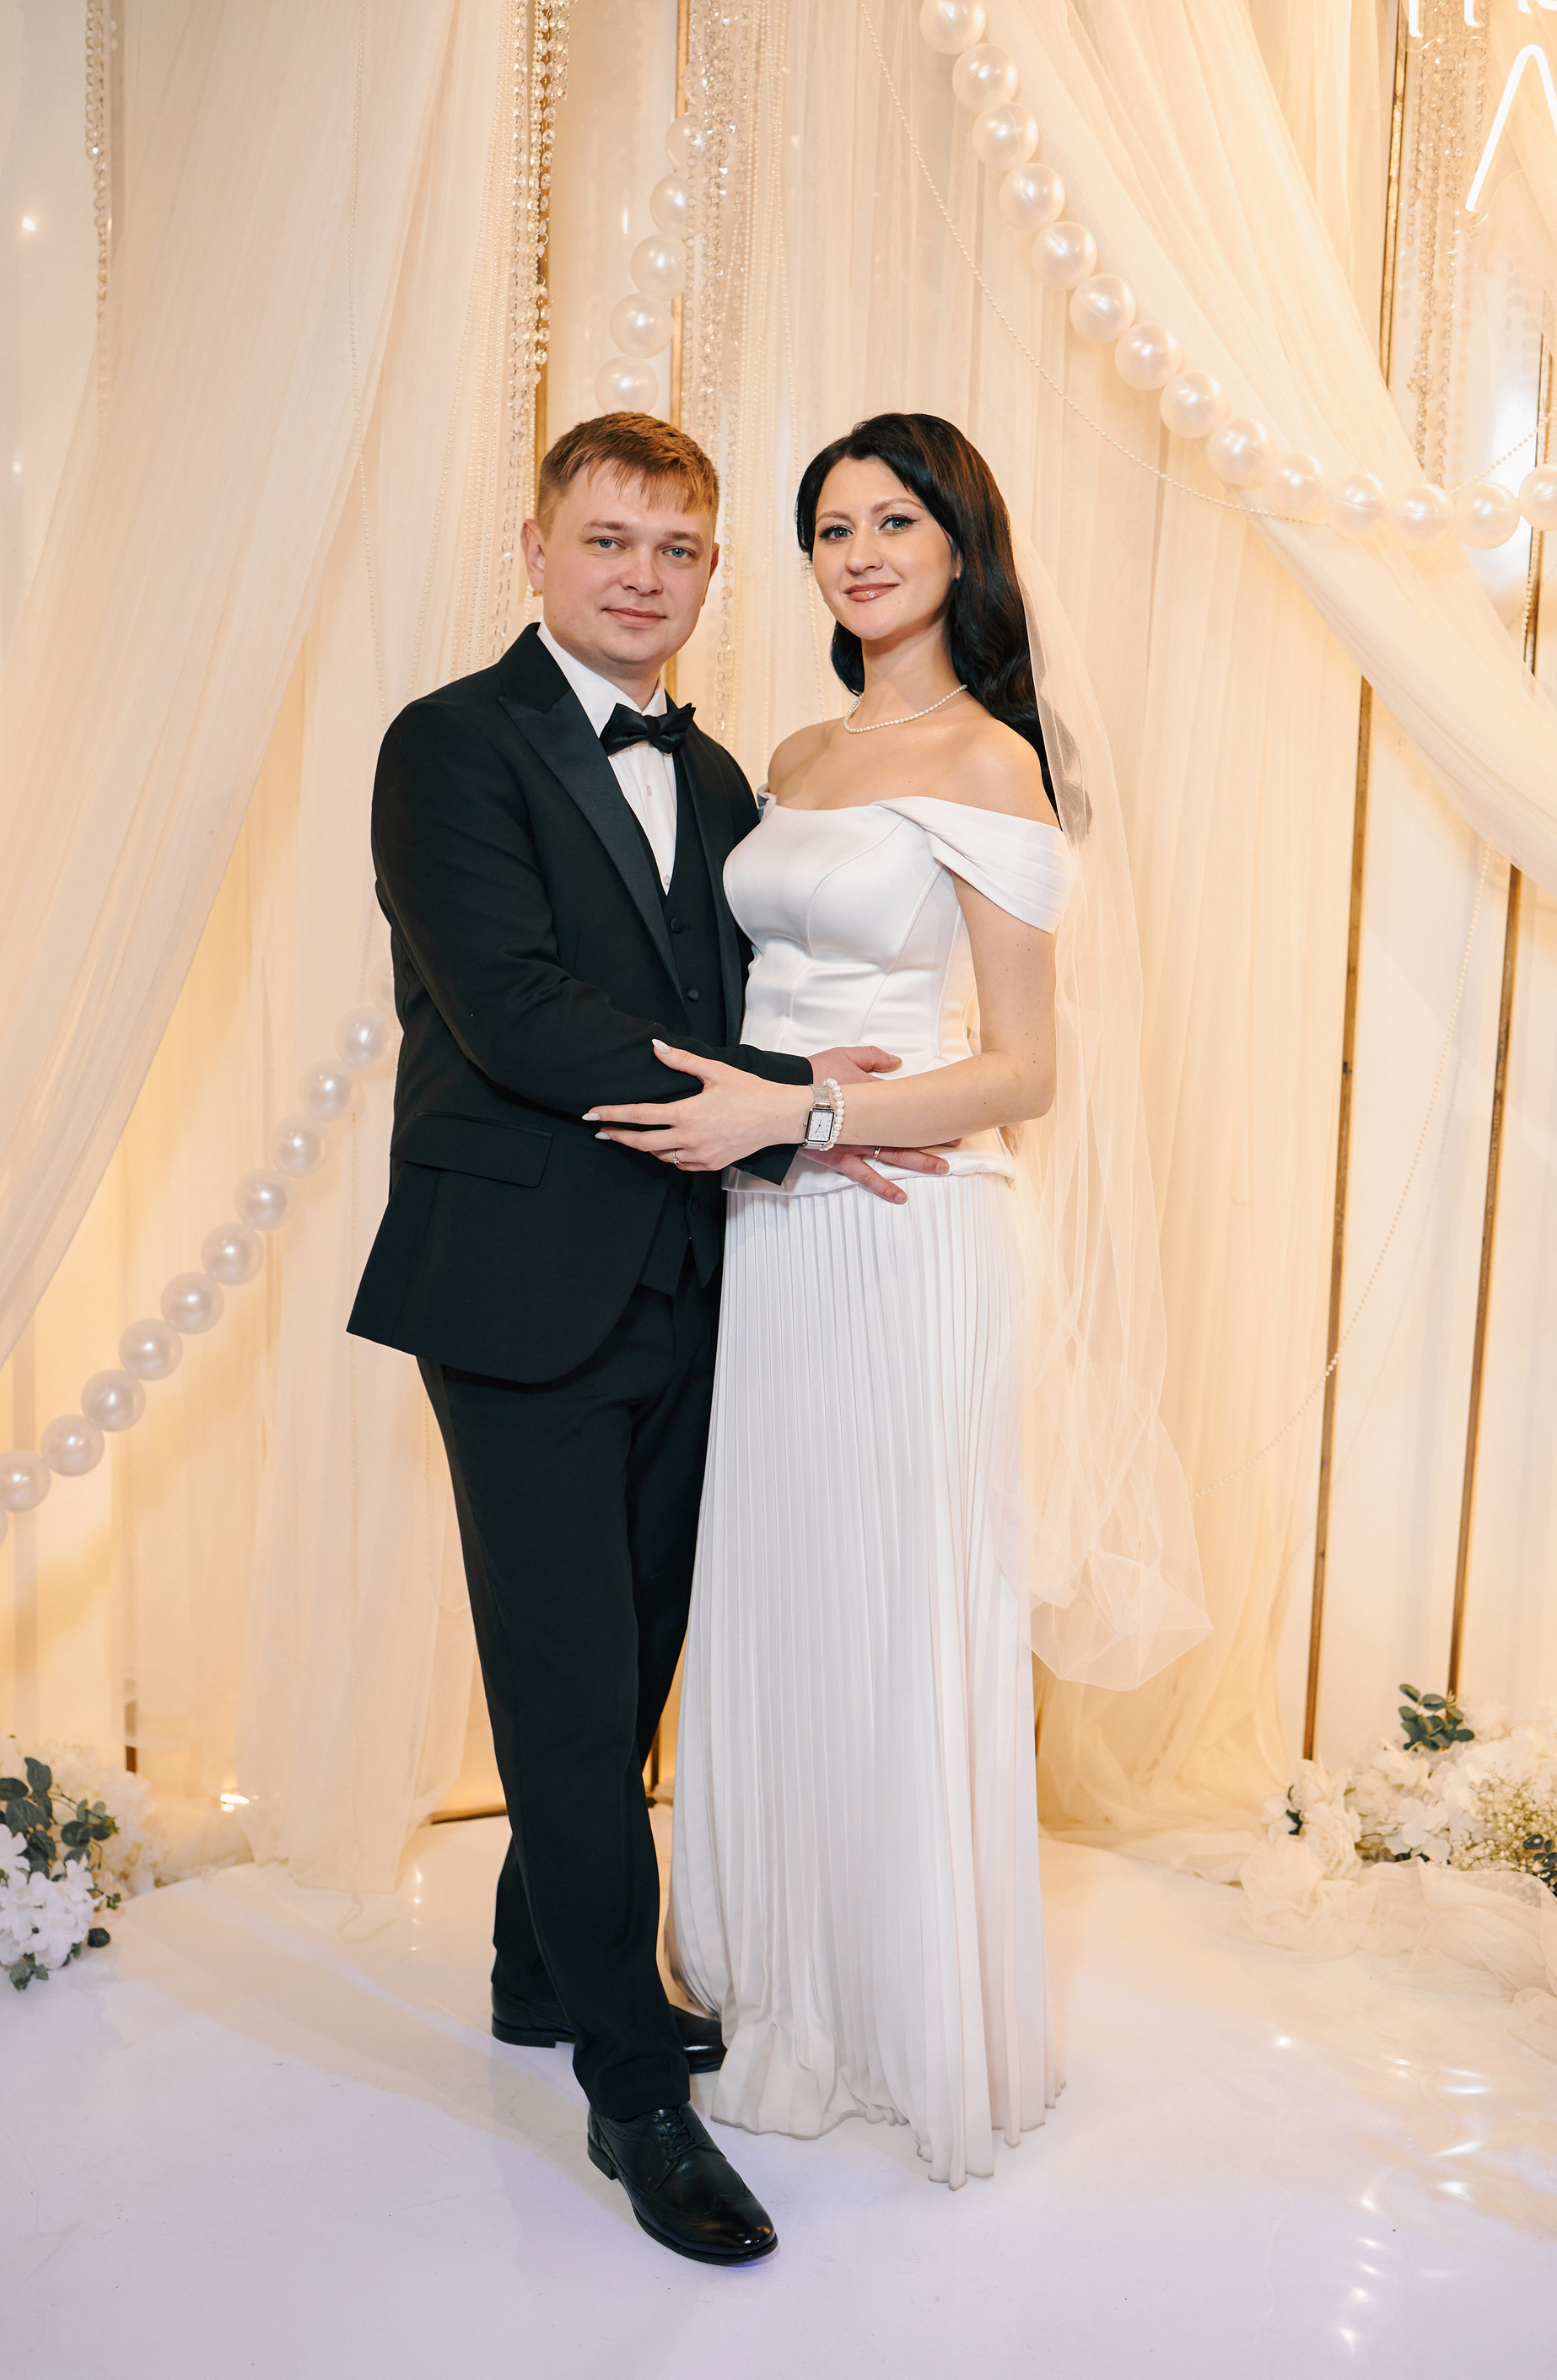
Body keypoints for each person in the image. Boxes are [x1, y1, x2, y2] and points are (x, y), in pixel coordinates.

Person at [348, 412, 942, 2264]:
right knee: (566, 1682)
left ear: (711, 578)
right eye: (607, 540)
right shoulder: (448, 744)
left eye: (677, 550)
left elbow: (729, 976)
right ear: (534, 551)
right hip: (517, 1285)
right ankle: (632, 2090)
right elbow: (518, 1015)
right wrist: (788, 1095)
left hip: (696, 1272)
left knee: (632, 1672)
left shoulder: (719, 769)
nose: (641, 576)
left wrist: (818, 1095)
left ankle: (540, 1967)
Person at [587, 412, 1205, 2188]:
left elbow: (1022, 1069)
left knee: (902, 1600)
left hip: (916, 1227)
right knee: (782, 1592)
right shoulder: (790, 752)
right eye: (832, 528)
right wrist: (771, 1120)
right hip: (777, 1231)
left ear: (957, 546)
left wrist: (804, 1116)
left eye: (893, 524)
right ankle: (783, 1984)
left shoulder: (997, 763)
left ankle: (912, 2013)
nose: (859, 554)